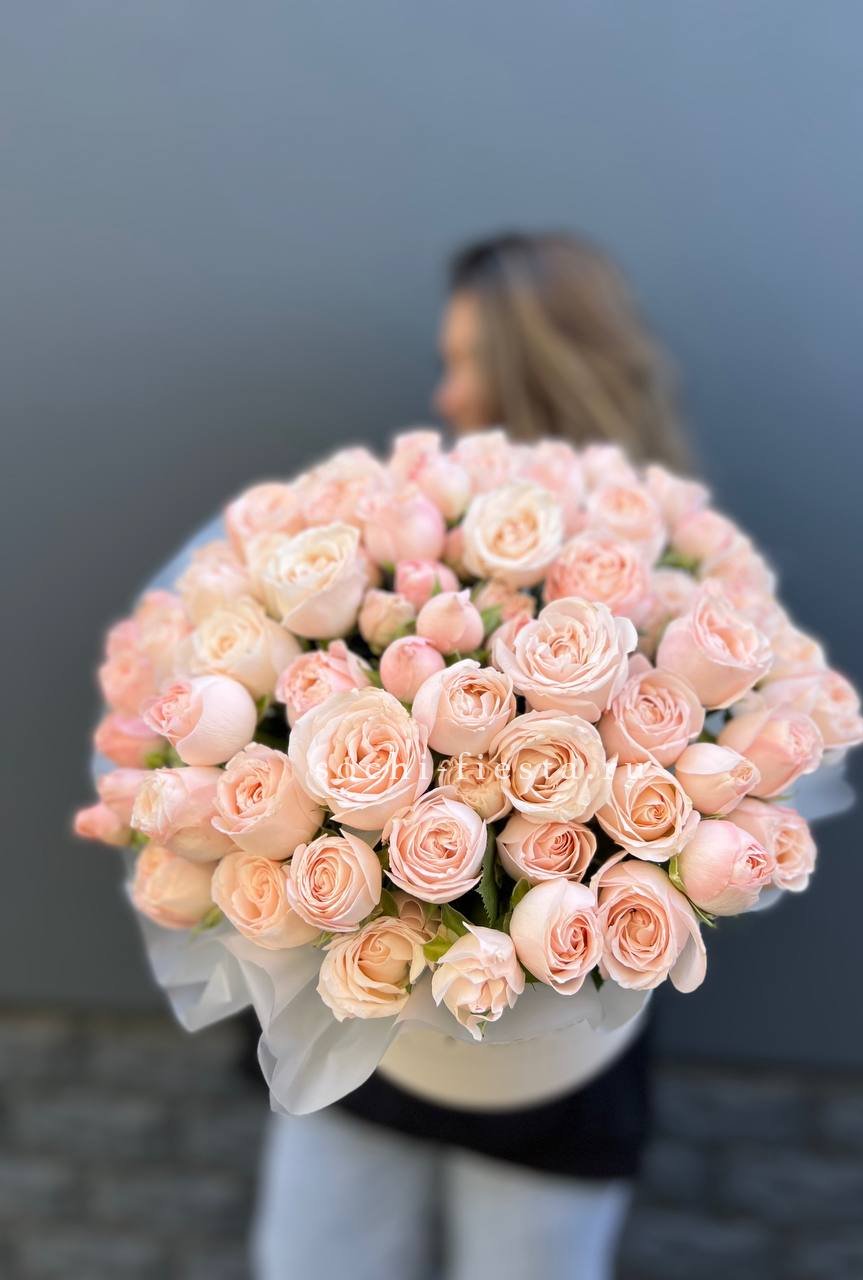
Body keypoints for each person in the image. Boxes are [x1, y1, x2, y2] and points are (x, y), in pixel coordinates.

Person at [252, 231, 690, 1280]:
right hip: (372, 1013)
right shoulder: (415, 532)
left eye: (465, 363)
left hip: (557, 1047)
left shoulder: (664, 567)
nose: (444, 394)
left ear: (537, 364)